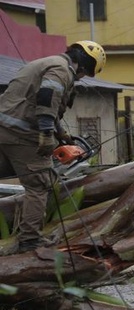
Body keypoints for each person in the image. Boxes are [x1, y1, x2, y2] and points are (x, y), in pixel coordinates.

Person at [0, 41, 106, 253]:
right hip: (21, 134)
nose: (83, 76)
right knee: (41, 185)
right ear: (85, 64)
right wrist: (47, 134)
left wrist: (61, 134)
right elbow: (47, 97)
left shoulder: (47, 62)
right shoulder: (61, 70)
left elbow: (41, 101)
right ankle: (30, 240)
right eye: (87, 72)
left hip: (5, 129)